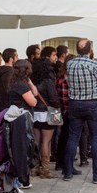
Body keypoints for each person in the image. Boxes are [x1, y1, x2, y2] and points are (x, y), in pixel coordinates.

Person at [63, 39, 97, 184]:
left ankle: (67, 172)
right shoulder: (94, 64)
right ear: (90, 50)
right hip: (92, 103)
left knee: (73, 137)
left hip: (75, 103)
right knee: (96, 138)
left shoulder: (70, 64)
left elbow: (68, 81)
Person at [32, 49, 61, 178]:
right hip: (47, 113)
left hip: (35, 113)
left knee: (36, 141)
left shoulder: (32, 82)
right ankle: (45, 170)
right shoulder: (48, 81)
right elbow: (54, 99)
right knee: (46, 142)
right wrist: (59, 107)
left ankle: (34, 168)